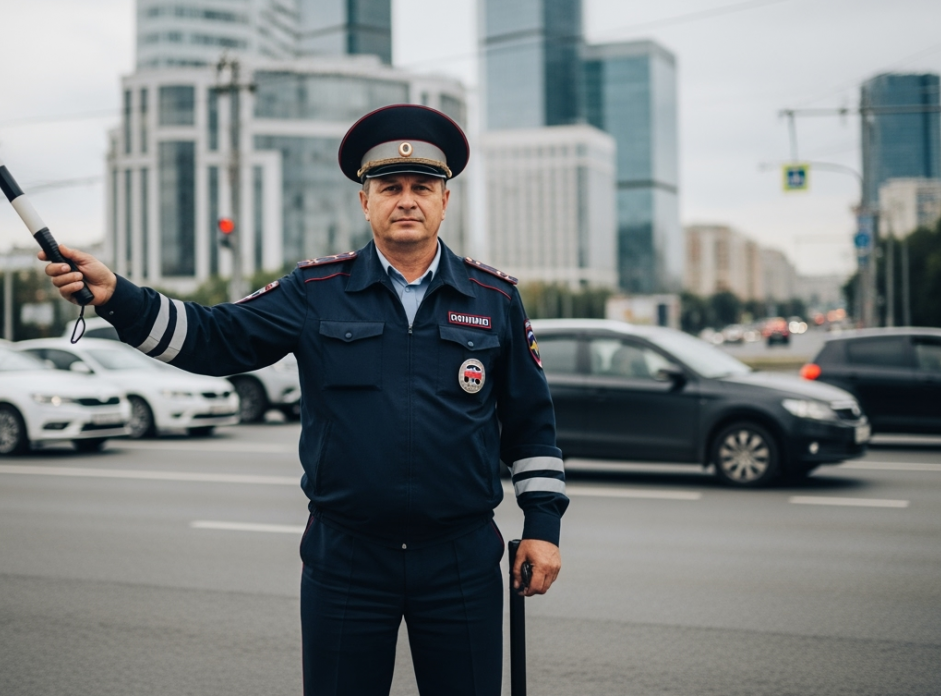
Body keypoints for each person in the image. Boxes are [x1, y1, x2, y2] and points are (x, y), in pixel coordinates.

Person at [41, 104, 568, 696]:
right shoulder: (316, 291)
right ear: (364, 202)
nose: (407, 200)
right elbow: (216, 339)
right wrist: (118, 298)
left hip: (460, 559)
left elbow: (531, 426)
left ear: (446, 200)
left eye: (423, 187)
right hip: (346, 559)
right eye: (389, 187)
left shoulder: (494, 298)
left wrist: (542, 525)